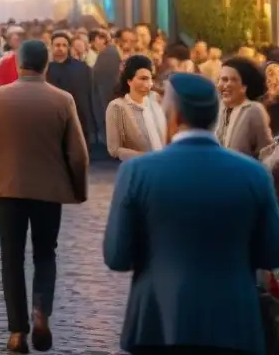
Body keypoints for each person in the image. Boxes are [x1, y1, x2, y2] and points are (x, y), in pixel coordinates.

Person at [104, 72, 279, 355]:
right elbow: (271, 252)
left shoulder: (137, 171)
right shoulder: (254, 174)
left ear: (172, 118)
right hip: (234, 323)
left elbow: (117, 255)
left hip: (158, 321)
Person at [0, 39, 88, 354]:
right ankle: (41, 311)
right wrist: (77, 190)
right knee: (45, 254)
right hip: (49, 191)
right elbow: (78, 156)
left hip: (9, 190)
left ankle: (16, 331)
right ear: (46, 64)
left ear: (18, 62)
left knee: (11, 258)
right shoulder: (62, 100)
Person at [106, 55, 166, 162]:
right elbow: (114, 149)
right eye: (143, 79)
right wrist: (147, 158)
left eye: (150, 78)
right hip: (141, 170)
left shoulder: (155, 100)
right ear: (129, 81)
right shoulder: (117, 107)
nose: (148, 84)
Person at [217, 57, 272, 159]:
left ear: (244, 86)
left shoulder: (254, 110)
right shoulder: (218, 108)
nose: (227, 85)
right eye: (223, 79)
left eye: (233, 80)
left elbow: (265, 153)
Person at [46, 30, 95, 147]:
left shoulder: (81, 68)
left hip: (78, 114)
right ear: (51, 47)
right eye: (57, 45)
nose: (60, 48)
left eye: (64, 45)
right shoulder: (45, 69)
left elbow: (88, 93)